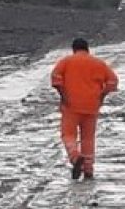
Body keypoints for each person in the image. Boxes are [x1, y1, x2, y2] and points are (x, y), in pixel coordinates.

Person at [50, 38, 119, 180]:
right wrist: (102, 96)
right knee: (88, 138)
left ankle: (75, 158)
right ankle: (88, 169)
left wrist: (63, 95)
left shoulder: (66, 61)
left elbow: (56, 79)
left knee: (68, 135)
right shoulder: (99, 63)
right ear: (88, 49)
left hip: (71, 106)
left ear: (74, 49)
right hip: (92, 106)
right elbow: (113, 81)